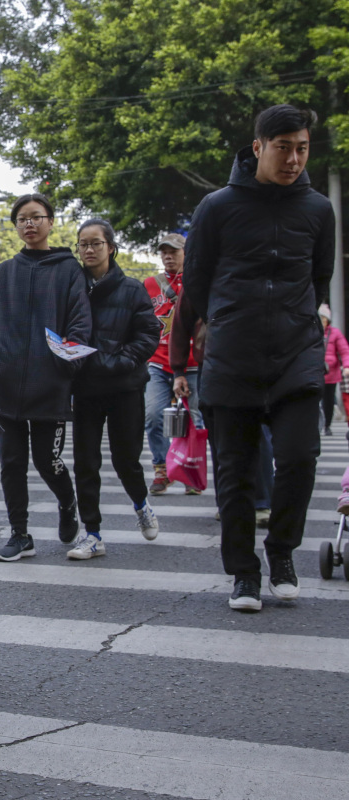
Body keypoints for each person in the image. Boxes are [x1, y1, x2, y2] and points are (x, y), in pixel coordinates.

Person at [184, 104, 335, 612]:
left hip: (296, 354)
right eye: (283, 147)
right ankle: (244, 573)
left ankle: (282, 553)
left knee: (299, 457)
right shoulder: (217, 206)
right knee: (236, 472)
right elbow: (198, 284)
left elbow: (319, 278)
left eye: (302, 148)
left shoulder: (318, 209)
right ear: (257, 148)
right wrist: (219, 327)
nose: (293, 158)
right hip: (232, 358)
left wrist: (299, 323)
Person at [0, 193, 92, 561]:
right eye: (22, 219)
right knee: (11, 463)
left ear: (50, 222)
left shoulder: (68, 269)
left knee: (47, 461)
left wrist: (64, 365)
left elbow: (79, 322)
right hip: (4, 386)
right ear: (16, 226)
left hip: (50, 386)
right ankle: (20, 534)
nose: (29, 224)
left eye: (36, 217)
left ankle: (67, 500)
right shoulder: (4, 272)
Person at [68, 219, 161, 559]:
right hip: (87, 388)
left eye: (95, 243)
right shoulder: (73, 286)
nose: (89, 250)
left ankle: (141, 503)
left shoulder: (133, 289)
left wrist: (121, 361)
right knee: (85, 463)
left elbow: (149, 334)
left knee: (126, 460)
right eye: (83, 244)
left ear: (110, 247)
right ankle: (92, 533)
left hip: (125, 387)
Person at [172, 291, 275, 528]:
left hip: (254, 361)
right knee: (220, 438)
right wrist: (178, 371)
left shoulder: (254, 264)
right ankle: (227, 502)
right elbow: (180, 324)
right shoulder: (199, 273)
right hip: (212, 364)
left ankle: (261, 503)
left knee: (258, 434)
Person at [145, 233, 202, 495]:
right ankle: (162, 470)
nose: (168, 257)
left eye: (174, 252)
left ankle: (190, 470)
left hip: (191, 364)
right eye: (164, 252)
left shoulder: (199, 283)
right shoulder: (149, 285)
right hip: (157, 363)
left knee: (194, 420)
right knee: (154, 415)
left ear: (185, 254)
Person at [320, 303, 349, 435]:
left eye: (324, 319)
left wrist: (347, 366)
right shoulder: (311, 331)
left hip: (331, 373)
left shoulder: (335, 333)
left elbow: (344, 350)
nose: (322, 322)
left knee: (329, 401)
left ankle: (327, 425)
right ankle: (315, 426)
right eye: (320, 318)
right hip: (314, 372)